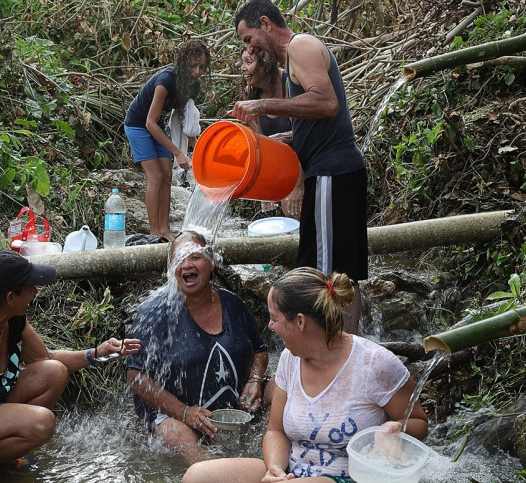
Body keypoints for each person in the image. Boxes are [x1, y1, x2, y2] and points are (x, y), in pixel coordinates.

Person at [0, 248, 141, 483]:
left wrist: (98, 352)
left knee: (54, 371)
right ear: (10, 297)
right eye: (30, 287)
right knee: (41, 423)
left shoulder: (12, 317)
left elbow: (45, 357)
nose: (36, 292)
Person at [182, 267, 428, 482]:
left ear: (300, 322)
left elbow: (420, 423)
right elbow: (275, 431)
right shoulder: (290, 359)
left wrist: (392, 429)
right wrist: (275, 469)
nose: (269, 327)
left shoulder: (376, 364)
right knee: (197, 476)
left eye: (274, 318)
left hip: (349, 476)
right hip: (293, 472)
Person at [231, 0, 368, 334]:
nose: (249, 48)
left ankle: (334, 351)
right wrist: (290, 136)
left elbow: (326, 101)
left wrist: (262, 104)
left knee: (325, 274)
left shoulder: (301, 46)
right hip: (335, 171)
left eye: (248, 38)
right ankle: (346, 349)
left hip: (331, 172)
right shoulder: (293, 60)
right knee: (341, 273)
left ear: (265, 23)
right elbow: (323, 116)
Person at [126, 230, 269, 463]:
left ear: (212, 263)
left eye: (194, 257)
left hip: (233, 410)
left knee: (277, 390)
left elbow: (260, 349)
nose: (186, 265)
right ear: (171, 270)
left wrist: (254, 380)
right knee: (174, 434)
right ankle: (214, 473)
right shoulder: (155, 312)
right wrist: (184, 412)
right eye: (179, 259)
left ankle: (272, 459)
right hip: (177, 415)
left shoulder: (233, 303)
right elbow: (135, 376)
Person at [124, 39, 211, 241]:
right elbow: (149, 122)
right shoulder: (166, 81)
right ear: (182, 63)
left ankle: (165, 231)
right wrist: (178, 152)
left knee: (167, 176)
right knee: (155, 176)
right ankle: (154, 233)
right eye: (193, 66)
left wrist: (198, 151)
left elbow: (187, 121)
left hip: (157, 124)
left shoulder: (193, 86)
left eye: (202, 67)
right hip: (138, 124)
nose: (197, 71)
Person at [239, 47, 303, 221]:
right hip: (283, 164)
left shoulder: (289, 84)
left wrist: (298, 187)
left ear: (266, 66)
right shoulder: (250, 95)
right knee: (290, 212)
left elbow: (303, 135)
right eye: (242, 62)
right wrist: (265, 188)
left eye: (249, 62)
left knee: (299, 209)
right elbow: (261, 144)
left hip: (308, 158)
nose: (243, 68)